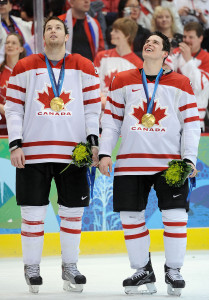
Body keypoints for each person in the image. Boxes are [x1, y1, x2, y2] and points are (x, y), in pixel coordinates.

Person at [99, 31, 200, 296]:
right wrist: (105, 153)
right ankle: (142, 269)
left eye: (156, 42)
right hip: (131, 162)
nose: (149, 43)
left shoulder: (181, 82)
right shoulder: (122, 80)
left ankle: (174, 269)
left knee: (175, 216)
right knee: (131, 217)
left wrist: (189, 158)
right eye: (147, 41)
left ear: (166, 53)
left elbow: (191, 125)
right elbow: (111, 122)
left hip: (170, 164)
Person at [5, 16, 101, 294]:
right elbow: (12, 109)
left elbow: (93, 108)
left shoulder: (84, 66)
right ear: (42, 36)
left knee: (73, 213)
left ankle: (70, 265)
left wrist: (93, 142)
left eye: (58, 27)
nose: (53, 31)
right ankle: (32, 267)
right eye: (48, 28)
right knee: (33, 214)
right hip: (33, 154)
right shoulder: (24, 66)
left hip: (73, 155)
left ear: (66, 35)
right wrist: (15, 144)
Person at [167, 22, 209, 132]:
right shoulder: (175, 53)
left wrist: (188, 60)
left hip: (195, 119)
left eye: (191, 37)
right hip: (172, 116)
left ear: (200, 38)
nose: (186, 40)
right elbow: (164, 74)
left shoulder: (206, 58)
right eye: (185, 36)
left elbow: (198, 86)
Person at [94, 17, 143, 111]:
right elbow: (92, 82)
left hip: (121, 113)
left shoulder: (138, 64)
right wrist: (102, 99)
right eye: (112, 30)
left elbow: (136, 94)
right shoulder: (101, 56)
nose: (111, 33)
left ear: (127, 35)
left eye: (116, 31)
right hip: (99, 111)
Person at [0, 32, 25, 135]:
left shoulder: (26, 73)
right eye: (7, 42)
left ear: (20, 49)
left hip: (21, 128)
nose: (9, 45)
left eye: (14, 43)